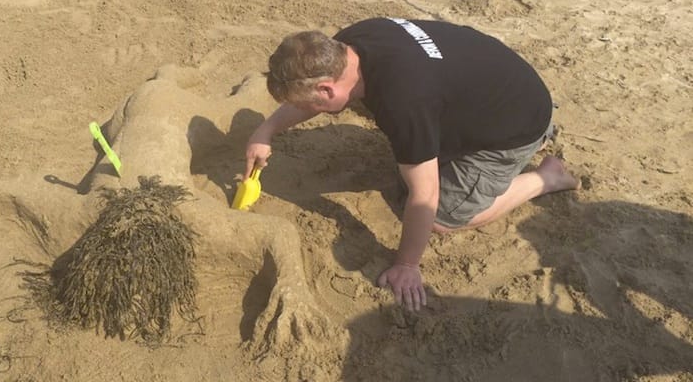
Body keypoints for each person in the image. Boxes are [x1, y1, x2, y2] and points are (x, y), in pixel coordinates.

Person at [244, 18, 580, 312]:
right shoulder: (350, 45)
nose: (309, 108)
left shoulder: (403, 99)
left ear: (326, 87)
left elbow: (425, 194)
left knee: (444, 217)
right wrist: (266, 130)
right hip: (496, 86)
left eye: (310, 101)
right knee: (381, 120)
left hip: (516, 124)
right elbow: (322, 101)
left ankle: (547, 178)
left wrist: (407, 264)